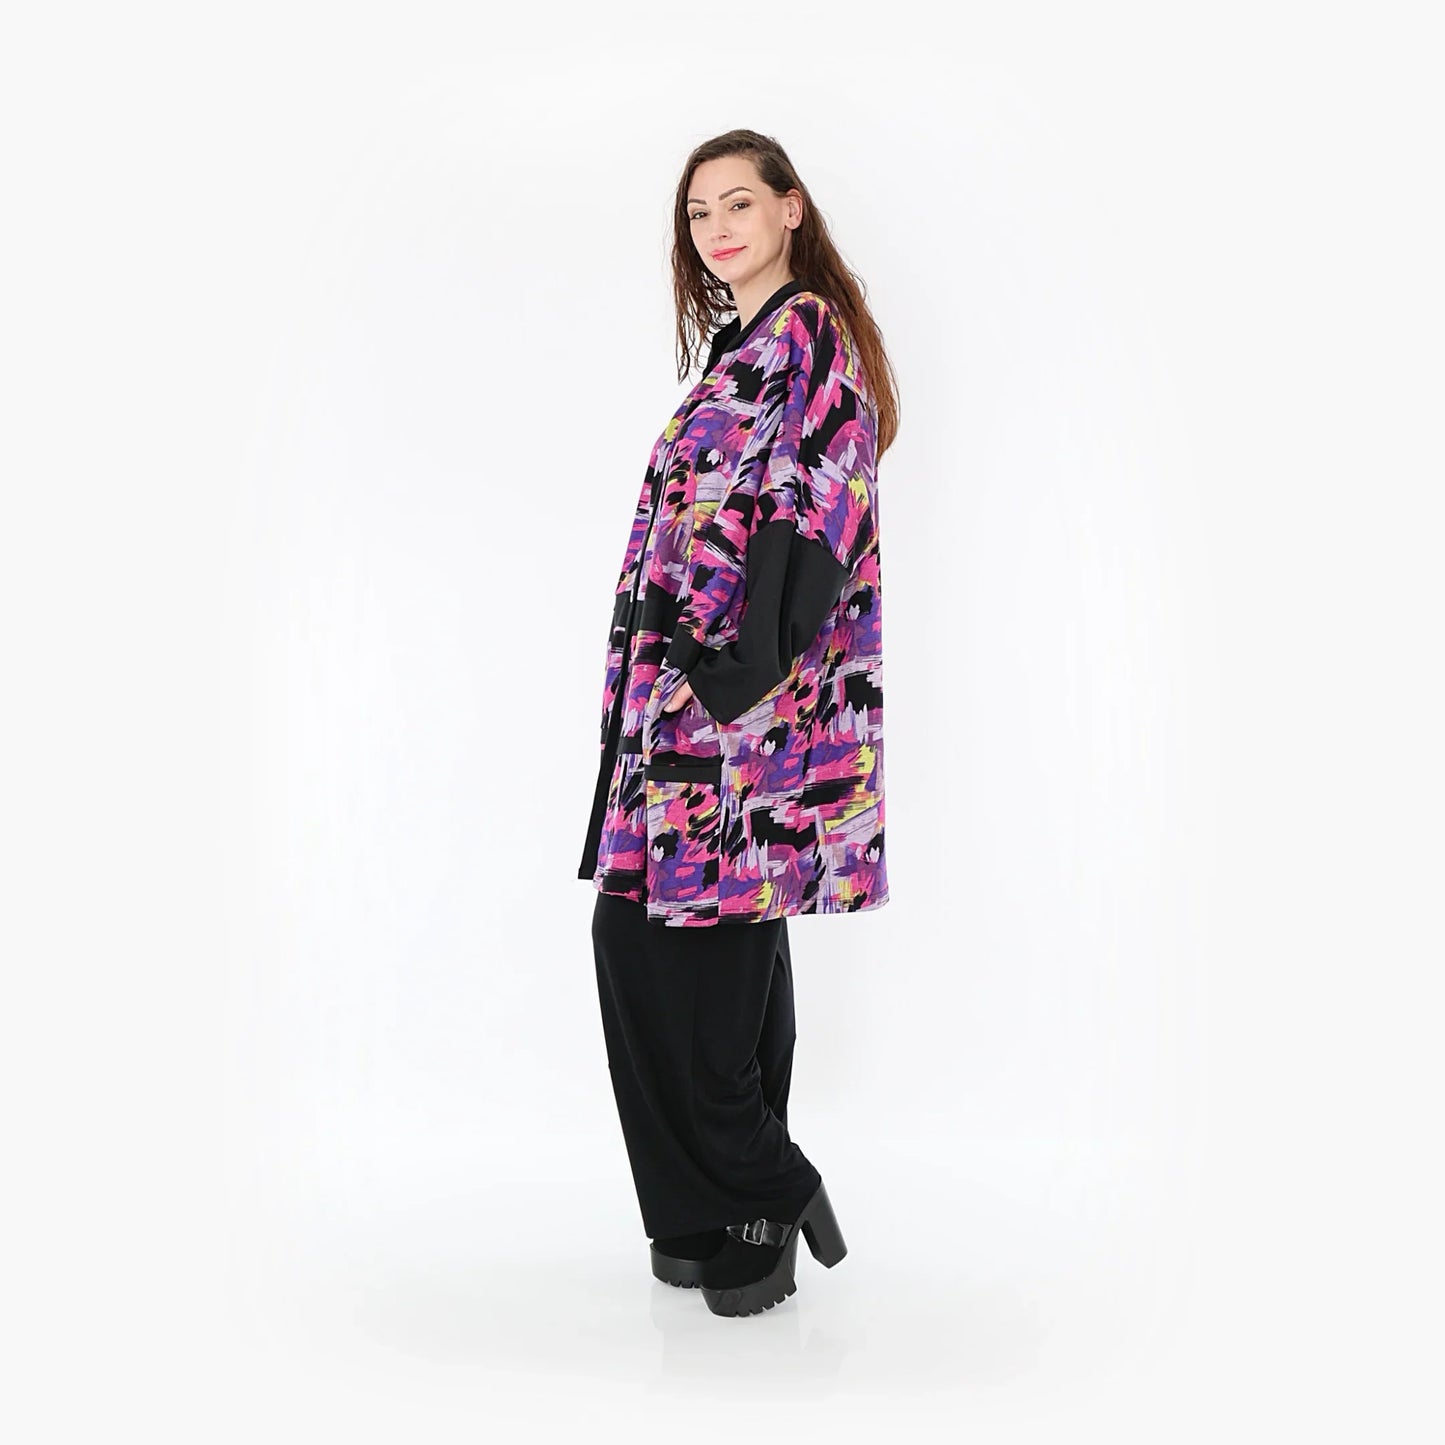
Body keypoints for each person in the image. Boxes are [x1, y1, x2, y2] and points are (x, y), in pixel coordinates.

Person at [579, 129, 899, 1318]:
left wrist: (733, 674)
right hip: (681, 700)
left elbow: (825, 501)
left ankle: (767, 1190)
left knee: (704, 950)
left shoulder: (808, 334)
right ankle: (703, 1202)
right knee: (647, 936)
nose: (716, 228)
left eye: (737, 204)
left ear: (788, 209)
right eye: (698, 212)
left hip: (740, 710)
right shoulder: (737, 351)